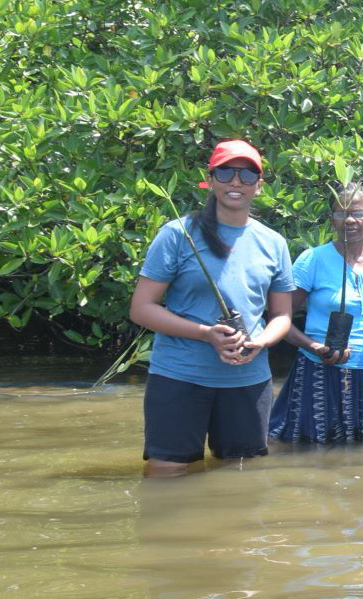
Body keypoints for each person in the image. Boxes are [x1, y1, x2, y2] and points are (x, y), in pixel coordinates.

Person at [129, 139, 294, 476]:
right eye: (227, 173)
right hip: (179, 375)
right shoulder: (178, 234)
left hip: (248, 379)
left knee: (240, 476)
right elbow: (142, 309)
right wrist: (206, 334)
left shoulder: (273, 243)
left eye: (248, 176)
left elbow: (282, 316)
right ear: (211, 180)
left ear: (259, 186)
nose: (237, 182)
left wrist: (262, 341)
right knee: (167, 473)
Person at [269, 182, 363, 443]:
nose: (349, 220)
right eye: (340, 213)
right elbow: (280, 319)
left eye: (357, 213)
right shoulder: (312, 260)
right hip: (319, 368)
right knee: (308, 446)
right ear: (332, 219)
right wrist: (314, 346)